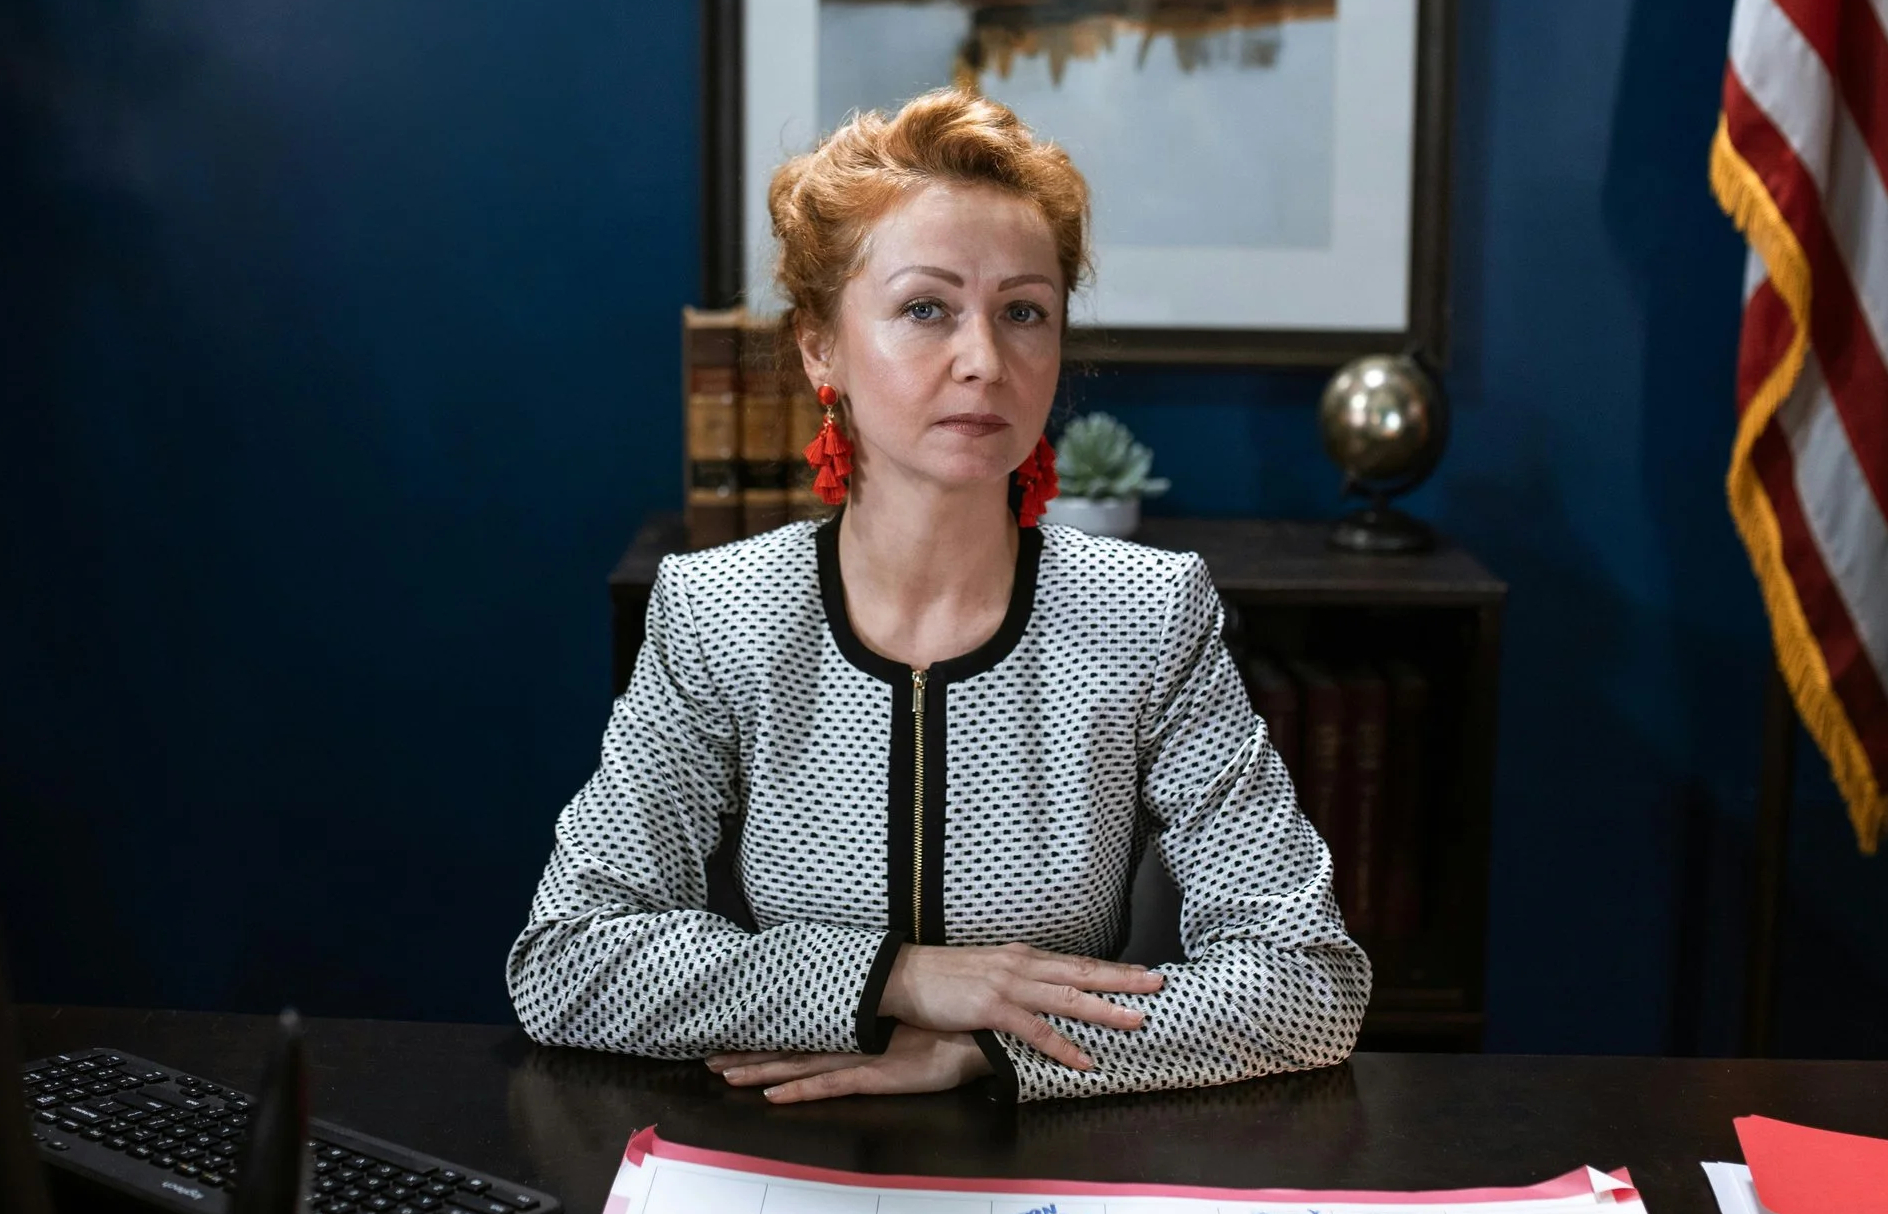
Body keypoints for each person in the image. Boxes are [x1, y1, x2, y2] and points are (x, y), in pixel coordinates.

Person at [507, 88, 1370, 1102]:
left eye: (1023, 312)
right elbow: (567, 958)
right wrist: (901, 979)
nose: (984, 360)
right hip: (787, 1164)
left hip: (1053, 1166)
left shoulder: (1147, 611)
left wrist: (987, 1045)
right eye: (926, 308)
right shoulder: (720, 608)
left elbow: (1309, 982)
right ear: (819, 345)